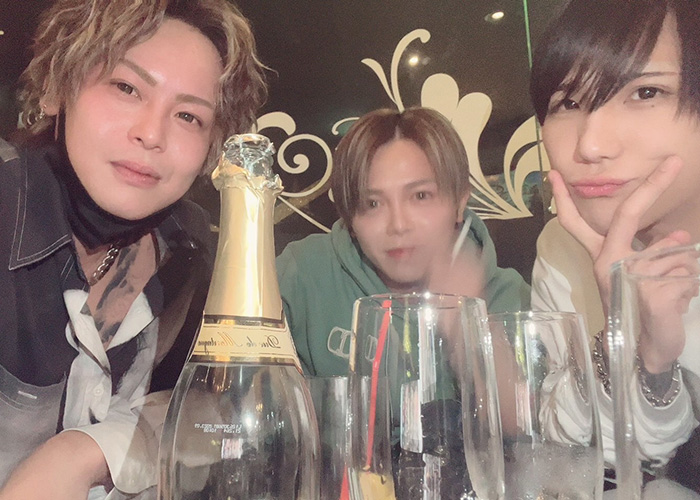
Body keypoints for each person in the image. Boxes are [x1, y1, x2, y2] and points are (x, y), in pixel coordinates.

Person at [0, 0, 266, 498]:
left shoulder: (186, 249)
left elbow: (218, 410)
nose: (151, 133)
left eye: (188, 116)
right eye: (126, 88)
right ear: (57, 88)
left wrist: (87, 452)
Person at [529, 0, 700, 492]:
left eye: (646, 92)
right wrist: (629, 342)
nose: (590, 146)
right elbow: (578, 456)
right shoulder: (564, 247)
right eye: (568, 103)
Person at [276, 107, 529, 376]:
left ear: (459, 203)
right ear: (350, 219)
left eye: (420, 196)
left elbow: (524, 403)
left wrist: (465, 328)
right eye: (373, 204)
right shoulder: (302, 275)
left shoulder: (508, 298)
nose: (398, 225)